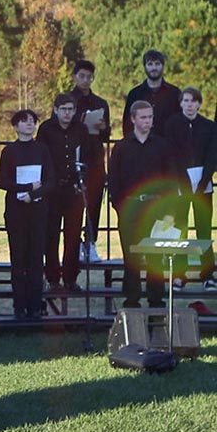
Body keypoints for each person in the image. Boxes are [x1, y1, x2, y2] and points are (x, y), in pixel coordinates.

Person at [108, 100, 183, 308]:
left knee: (155, 256)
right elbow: (114, 181)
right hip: (130, 208)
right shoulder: (121, 148)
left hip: (156, 208)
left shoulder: (162, 146)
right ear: (133, 119)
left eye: (150, 117)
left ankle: (156, 298)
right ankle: (132, 298)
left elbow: (170, 180)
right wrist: (121, 208)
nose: (148, 121)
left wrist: (168, 212)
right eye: (143, 117)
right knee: (131, 255)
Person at [0, 110, 54, 320]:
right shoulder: (9, 151)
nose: (29, 124)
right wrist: (27, 187)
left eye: (32, 121)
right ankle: (19, 305)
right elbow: (2, 182)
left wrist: (34, 194)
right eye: (24, 121)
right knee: (18, 258)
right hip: (16, 211)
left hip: (38, 210)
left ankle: (35, 305)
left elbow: (50, 181)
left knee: (36, 259)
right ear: (16, 126)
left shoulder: (42, 150)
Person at [164, 88, 216, 289]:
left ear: (199, 104)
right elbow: (172, 153)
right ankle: (179, 274)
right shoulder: (172, 124)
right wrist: (182, 179)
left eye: (194, 101)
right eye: (186, 100)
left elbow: (212, 155)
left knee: (204, 229)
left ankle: (208, 275)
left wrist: (204, 180)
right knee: (180, 228)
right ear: (181, 103)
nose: (190, 105)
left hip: (203, 182)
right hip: (180, 181)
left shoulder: (209, 126)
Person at [36, 94, 87, 292]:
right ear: (56, 109)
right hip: (52, 189)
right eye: (63, 109)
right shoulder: (46, 129)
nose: (67, 113)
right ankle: (52, 278)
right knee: (51, 235)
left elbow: (88, 154)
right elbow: (41, 156)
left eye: (70, 109)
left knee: (73, 236)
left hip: (73, 189)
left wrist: (82, 178)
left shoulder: (80, 130)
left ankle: (70, 278)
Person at [69, 59, 111, 260]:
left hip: (94, 157)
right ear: (74, 76)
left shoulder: (101, 103)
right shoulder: (68, 101)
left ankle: (91, 243)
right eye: (82, 76)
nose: (85, 80)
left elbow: (106, 135)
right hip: (74, 156)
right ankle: (74, 244)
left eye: (89, 77)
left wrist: (103, 128)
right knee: (74, 202)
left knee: (94, 202)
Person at [122, 49, 181, 136]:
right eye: (150, 64)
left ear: (163, 66)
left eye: (157, 64)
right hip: (141, 147)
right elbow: (127, 124)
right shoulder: (135, 94)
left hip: (167, 146)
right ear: (144, 67)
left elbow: (180, 122)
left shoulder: (175, 93)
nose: (154, 68)